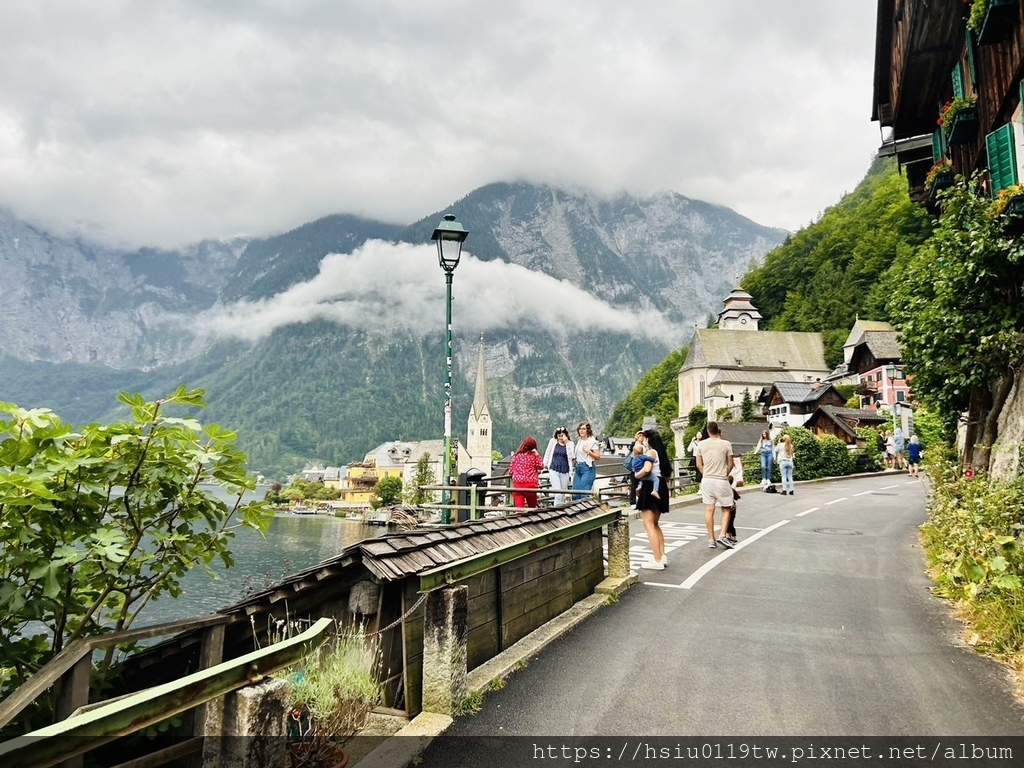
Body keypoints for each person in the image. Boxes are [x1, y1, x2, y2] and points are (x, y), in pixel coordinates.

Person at [636, 429, 671, 569]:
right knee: (655, 524)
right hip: (661, 485)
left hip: (650, 486)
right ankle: (662, 555)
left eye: (645, 438)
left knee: (649, 525)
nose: (643, 440)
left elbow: (647, 469)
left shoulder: (651, 452)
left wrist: (637, 476)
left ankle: (657, 560)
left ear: (649, 440)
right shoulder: (661, 454)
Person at [697, 421, 735, 549]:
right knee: (726, 508)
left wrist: (705, 473)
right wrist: (725, 473)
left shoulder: (701, 444)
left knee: (709, 508)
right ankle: (722, 534)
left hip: (707, 480)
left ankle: (711, 538)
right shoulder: (726, 444)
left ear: (708, 431)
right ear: (717, 430)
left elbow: (698, 464)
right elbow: (730, 463)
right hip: (721, 479)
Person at [509, 436, 544, 509]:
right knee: (532, 508)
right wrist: (537, 455)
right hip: (531, 486)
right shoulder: (533, 457)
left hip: (518, 486)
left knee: (520, 510)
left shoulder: (516, 456)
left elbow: (511, 471)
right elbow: (541, 466)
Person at [543, 426, 575, 505]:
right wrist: (544, 465)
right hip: (554, 469)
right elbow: (547, 454)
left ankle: (561, 510)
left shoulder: (570, 444)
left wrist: (566, 442)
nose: (560, 437)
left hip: (565, 471)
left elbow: (571, 456)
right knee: (558, 493)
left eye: (562, 435)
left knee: (562, 494)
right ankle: (556, 510)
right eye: (559, 435)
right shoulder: (553, 442)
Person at [571, 421, 601, 500]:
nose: (581, 430)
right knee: (575, 494)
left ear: (588, 430)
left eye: (583, 429)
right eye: (580, 429)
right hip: (578, 467)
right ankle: (576, 511)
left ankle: (585, 511)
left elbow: (598, 457)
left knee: (584, 494)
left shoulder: (592, 442)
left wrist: (588, 451)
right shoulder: (579, 441)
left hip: (587, 468)